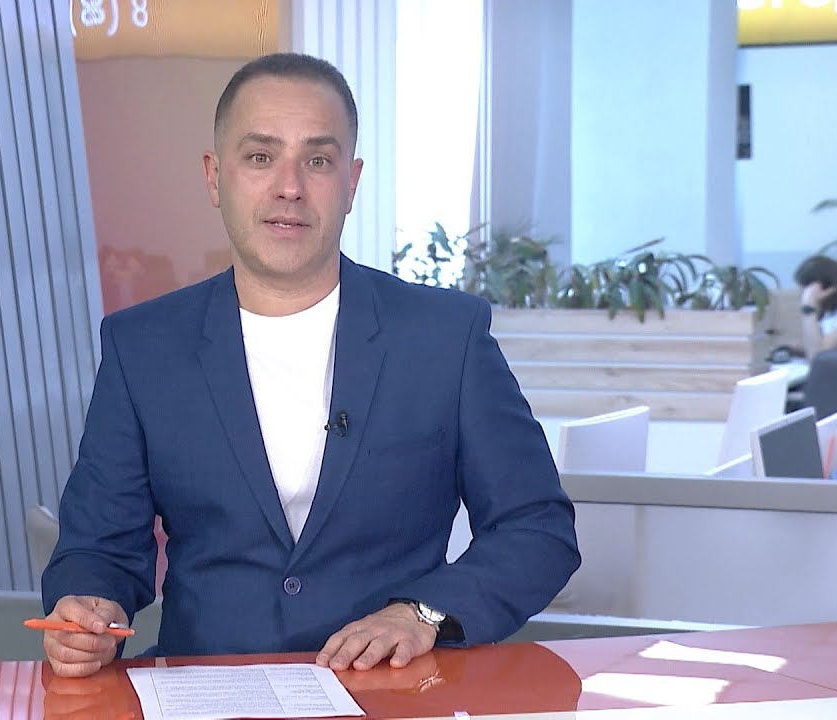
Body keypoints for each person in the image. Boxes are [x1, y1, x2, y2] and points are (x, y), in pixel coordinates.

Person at [40, 53, 579, 678]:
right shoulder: (143, 346)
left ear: (351, 183)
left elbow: (537, 529)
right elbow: (98, 546)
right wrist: (89, 609)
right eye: (260, 157)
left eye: (318, 161)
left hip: (390, 693)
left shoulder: (444, 337)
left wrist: (424, 613)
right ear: (214, 177)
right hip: (203, 690)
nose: (289, 187)